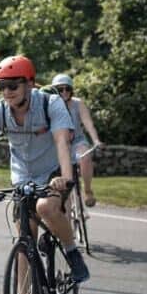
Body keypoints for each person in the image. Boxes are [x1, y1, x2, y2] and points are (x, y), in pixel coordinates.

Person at [0, 55, 90, 286]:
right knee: (24, 240)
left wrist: (65, 178)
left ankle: (72, 252)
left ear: (30, 84)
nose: (7, 91)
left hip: (53, 170)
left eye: (13, 85)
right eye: (1, 86)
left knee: (45, 207)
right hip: (22, 178)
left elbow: (62, 142)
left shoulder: (50, 104)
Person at [51, 74, 104, 207]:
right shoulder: (50, 104)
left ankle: (87, 190)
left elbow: (88, 123)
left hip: (77, 142)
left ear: (71, 90)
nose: (64, 92)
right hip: (58, 145)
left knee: (85, 157)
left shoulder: (77, 103)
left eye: (67, 89)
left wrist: (96, 140)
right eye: (59, 89)